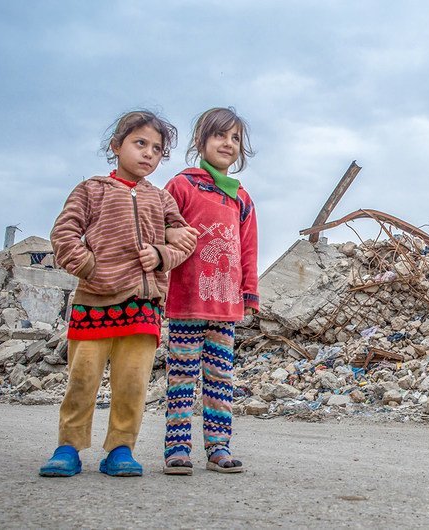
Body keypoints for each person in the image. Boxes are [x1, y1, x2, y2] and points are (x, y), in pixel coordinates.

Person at [39, 110, 198, 477]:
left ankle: (121, 449)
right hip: (94, 302)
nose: (148, 154)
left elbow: (186, 239)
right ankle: (68, 447)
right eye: (139, 143)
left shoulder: (161, 200)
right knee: (83, 380)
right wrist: (91, 268)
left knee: (132, 383)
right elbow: (64, 234)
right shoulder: (91, 190)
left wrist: (162, 255)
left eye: (157, 149)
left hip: (143, 306)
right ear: (116, 146)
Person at [160, 107, 258, 475]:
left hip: (225, 305)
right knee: (182, 377)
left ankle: (218, 447)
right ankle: (177, 449)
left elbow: (248, 247)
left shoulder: (241, 197)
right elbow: (160, 228)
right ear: (201, 141)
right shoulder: (182, 186)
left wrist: (249, 292)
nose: (228, 144)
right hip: (187, 301)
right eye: (220, 136)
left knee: (220, 377)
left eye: (235, 139)